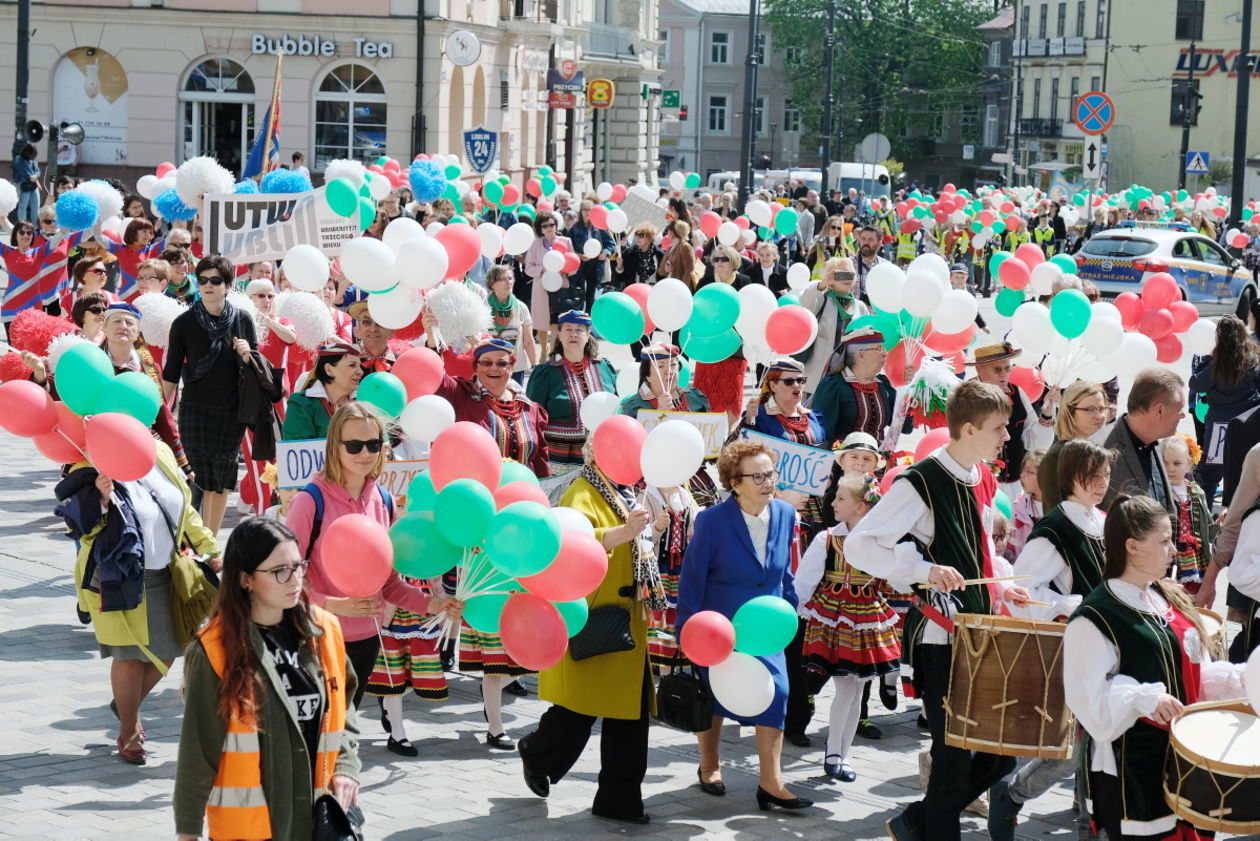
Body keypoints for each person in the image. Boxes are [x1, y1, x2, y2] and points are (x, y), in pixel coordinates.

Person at [845, 379, 1032, 841]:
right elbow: (859, 546)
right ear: (968, 429)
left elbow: (980, 547)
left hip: (982, 632)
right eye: (999, 428)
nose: (1006, 437)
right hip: (941, 639)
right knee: (950, 761)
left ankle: (915, 822)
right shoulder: (921, 481)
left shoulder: (982, 475)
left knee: (1000, 756)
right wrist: (922, 570)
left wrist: (1003, 587)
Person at [1063, 495, 1246, 841]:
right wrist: (1142, 698)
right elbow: (1087, 700)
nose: (1173, 549)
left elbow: (1190, 675)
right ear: (1132, 546)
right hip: (1131, 770)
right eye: (1163, 541)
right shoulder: (1095, 617)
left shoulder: (1164, 598)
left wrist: (1238, 681)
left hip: (1185, 764)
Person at [173, 518, 361, 841]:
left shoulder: (324, 630)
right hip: (251, 829)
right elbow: (197, 754)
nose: (295, 580)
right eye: (279, 571)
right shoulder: (215, 650)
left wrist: (346, 765)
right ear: (245, 580)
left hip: (318, 820)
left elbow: (343, 707)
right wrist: (187, 832)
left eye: (298, 566)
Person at [517, 439, 661, 824]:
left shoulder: (629, 490)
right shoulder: (582, 490)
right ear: (595, 452)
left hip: (630, 617)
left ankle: (619, 801)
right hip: (596, 616)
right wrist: (624, 532)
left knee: (629, 716)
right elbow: (577, 540)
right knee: (578, 712)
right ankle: (536, 751)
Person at [286, 403, 462, 710]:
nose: (365, 454)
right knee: (321, 729)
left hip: (368, 637)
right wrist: (333, 605)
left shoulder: (384, 500)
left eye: (373, 444)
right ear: (334, 447)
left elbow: (390, 582)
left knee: (346, 726)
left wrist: (435, 604)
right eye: (354, 446)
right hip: (318, 636)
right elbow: (285, 578)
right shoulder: (309, 501)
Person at [57, 440, 220, 765]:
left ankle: (126, 702)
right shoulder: (91, 461)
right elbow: (80, 529)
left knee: (173, 646)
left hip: (167, 571)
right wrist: (101, 501)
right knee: (130, 657)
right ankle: (129, 730)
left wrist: (210, 549)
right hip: (117, 574)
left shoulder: (158, 452)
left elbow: (185, 508)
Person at [676, 439, 812, 811]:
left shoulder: (785, 513)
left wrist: (788, 603)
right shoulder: (712, 520)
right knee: (715, 695)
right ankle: (709, 765)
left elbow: (783, 567)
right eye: (759, 476)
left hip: (767, 624)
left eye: (771, 473)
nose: (769, 482)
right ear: (735, 482)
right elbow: (692, 576)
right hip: (719, 623)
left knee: (777, 693)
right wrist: (686, 629)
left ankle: (771, 782)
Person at [988, 441, 1114, 841]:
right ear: (1070, 478)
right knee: (1074, 752)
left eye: (1105, 474)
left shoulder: (1105, 520)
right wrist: (1071, 604)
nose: (1101, 483)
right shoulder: (1054, 529)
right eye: (1091, 476)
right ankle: (1011, 793)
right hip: (1074, 650)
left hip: (1111, 650)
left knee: (1098, 745)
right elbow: (1021, 592)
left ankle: (1089, 824)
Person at [794, 473, 899, 782]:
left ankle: (842, 753)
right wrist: (795, 614)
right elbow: (804, 582)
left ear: (861, 506)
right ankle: (834, 753)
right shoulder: (827, 538)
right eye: (835, 496)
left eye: (841, 498)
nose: (833, 503)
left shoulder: (882, 541)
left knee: (857, 689)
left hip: (867, 617)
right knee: (846, 688)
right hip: (835, 618)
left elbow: (895, 577)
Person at [162, 255, 259, 535]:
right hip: (195, 409)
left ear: (228, 285)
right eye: (202, 280)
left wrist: (246, 354)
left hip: (231, 411)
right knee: (199, 477)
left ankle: (210, 542)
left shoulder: (242, 320)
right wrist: (160, 416)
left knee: (222, 479)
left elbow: (257, 367)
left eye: (215, 280)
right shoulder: (184, 323)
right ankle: (195, 542)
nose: (208, 285)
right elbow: (170, 373)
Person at [428, 333, 550, 478]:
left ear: (511, 368)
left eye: (502, 363)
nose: (494, 368)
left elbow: (540, 461)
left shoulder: (530, 408)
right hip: (476, 493)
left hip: (520, 494)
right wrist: (432, 336)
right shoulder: (462, 394)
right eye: (486, 362)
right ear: (475, 367)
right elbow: (435, 377)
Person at [526, 310, 617, 476]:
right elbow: (531, 419)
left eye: (579, 330)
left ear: (588, 334)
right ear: (559, 335)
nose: (573, 334)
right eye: (568, 329)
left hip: (602, 457)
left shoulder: (604, 367)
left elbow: (618, 409)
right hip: (559, 461)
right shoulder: (545, 373)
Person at [967, 342, 1054, 499]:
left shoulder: (1017, 393)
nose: (1004, 374)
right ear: (979, 369)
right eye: (997, 370)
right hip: (978, 485)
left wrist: (1047, 413)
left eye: (1008, 368)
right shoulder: (966, 396)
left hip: (1015, 486)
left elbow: (1034, 440)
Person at [1189, 314, 1260, 502]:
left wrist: (1205, 359)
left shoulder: (1216, 363)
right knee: (1244, 472)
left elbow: (1196, 384)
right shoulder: (1252, 359)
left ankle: (1204, 520)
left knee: (1209, 476)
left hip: (1219, 427)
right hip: (1246, 425)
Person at [1101, 367, 1185, 514]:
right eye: (1179, 409)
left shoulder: (1154, 443)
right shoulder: (1102, 449)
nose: (1183, 415)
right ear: (1159, 410)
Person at [692, 245, 751, 429]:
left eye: (724, 259)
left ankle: (727, 436)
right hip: (709, 347)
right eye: (716, 259)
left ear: (733, 261)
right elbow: (697, 314)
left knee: (732, 394)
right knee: (706, 392)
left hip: (735, 347)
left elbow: (750, 313)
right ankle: (706, 436)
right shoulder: (705, 282)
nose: (719, 263)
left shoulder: (744, 281)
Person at [813, 326, 900, 444]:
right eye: (879, 348)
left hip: (878, 459)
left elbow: (904, 426)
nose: (885, 353)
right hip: (843, 460)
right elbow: (822, 435)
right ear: (861, 356)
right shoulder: (833, 386)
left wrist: (910, 388)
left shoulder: (882, 385)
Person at [798, 256, 869, 389]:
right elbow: (804, 303)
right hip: (820, 371)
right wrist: (822, 284)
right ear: (831, 279)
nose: (847, 278)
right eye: (841, 275)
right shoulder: (822, 300)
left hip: (850, 371)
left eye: (850, 274)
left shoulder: (860, 306)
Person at [1037, 381, 1109, 510]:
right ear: (1070, 411)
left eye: (1102, 409)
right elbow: (1056, 514)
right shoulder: (1056, 457)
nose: (1099, 416)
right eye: (1090, 409)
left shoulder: (1098, 452)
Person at [281, 342, 363, 442]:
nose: (360, 372)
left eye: (359, 366)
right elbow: (297, 449)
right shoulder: (302, 404)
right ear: (329, 369)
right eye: (352, 365)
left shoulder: (363, 401)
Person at [1163, 434, 1212, 594]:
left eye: (1177, 463)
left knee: (1192, 595)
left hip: (1195, 554)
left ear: (1189, 464)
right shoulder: (1160, 491)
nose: (1171, 468)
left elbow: (1208, 528)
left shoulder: (1196, 492)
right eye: (1165, 463)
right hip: (1171, 553)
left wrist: (1221, 526)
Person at [524, 212, 574, 350]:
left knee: (557, 321)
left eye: (551, 224)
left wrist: (564, 270)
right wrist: (543, 269)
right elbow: (528, 268)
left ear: (556, 226)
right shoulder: (535, 244)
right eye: (544, 225)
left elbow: (574, 264)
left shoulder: (566, 241)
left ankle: (553, 349)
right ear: (540, 229)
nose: (548, 228)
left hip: (561, 286)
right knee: (541, 321)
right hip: (541, 288)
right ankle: (544, 351)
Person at [618, 343, 710, 417]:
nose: (669, 371)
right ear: (647, 375)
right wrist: (660, 414)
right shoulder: (633, 408)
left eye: (673, 365)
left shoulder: (696, 398)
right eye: (660, 366)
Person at [484, 263, 537, 383]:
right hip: (489, 368)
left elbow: (528, 341)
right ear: (492, 284)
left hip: (515, 369)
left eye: (510, 278)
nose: (508, 282)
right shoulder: (483, 308)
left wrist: (536, 367)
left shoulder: (521, 307)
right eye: (503, 279)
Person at [107, 218, 167, 301]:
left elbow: (173, 238)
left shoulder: (153, 249)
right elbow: (99, 238)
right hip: (126, 301)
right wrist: (98, 222)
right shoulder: (120, 249)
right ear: (133, 232)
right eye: (144, 231)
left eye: (150, 232)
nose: (148, 235)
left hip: (148, 301)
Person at [1009, 448, 1046, 554]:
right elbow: (1009, 549)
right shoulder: (1018, 508)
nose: (1022, 475)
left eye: (1029, 471)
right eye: (1023, 470)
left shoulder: (1062, 509)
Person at [613, 224, 664, 290]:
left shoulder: (659, 254)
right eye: (636, 234)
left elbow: (662, 277)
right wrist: (619, 266)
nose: (637, 237)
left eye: (641, 235)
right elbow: (618, 278)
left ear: (650, 238)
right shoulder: (628, 253)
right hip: (632, 291)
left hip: (652, 292)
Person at [14, 143, 40, 224]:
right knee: (23, 206)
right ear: (27, 152)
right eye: (32, 153)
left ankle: (36, 227)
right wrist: (32, 177)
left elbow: (38, 171)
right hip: (24, 187)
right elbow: (24, 171)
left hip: (33, 187)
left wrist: (35, 176)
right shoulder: (19, 159)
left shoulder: (32, 161)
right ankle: (22, 224)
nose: (33, 155)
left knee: (35, 207)